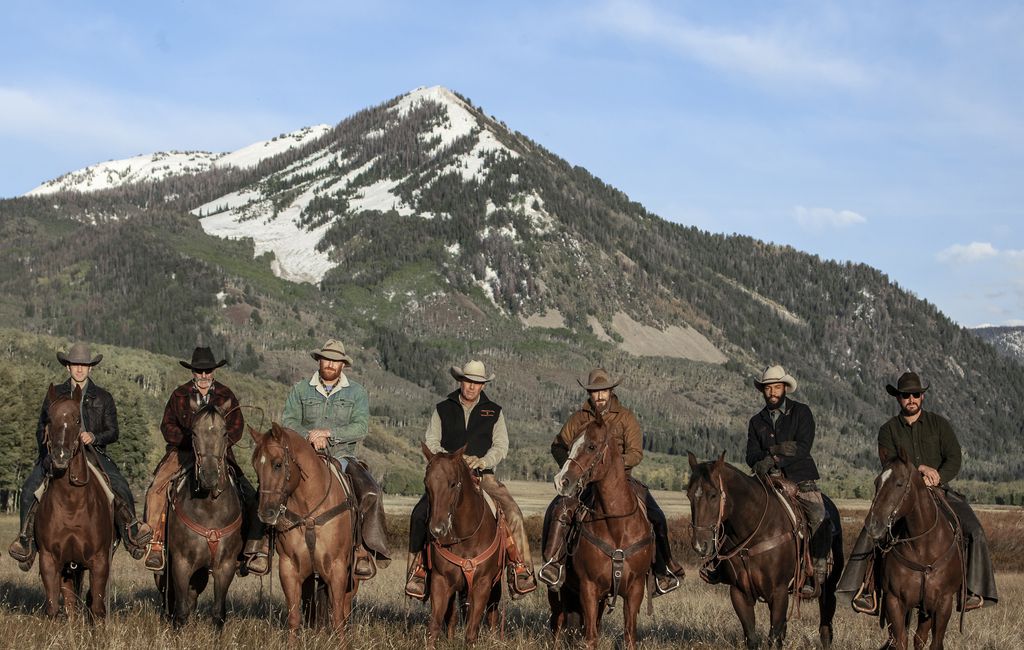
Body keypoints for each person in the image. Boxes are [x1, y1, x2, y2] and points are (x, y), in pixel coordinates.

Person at [839, 371, 998, 612]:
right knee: (873, 526)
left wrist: (939, 476)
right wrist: (919, 469)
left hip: (938, 491)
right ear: (898, 398)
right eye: (905, 395)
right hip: (902, 492)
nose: (911, 399)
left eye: (915, 394)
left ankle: (971, 590)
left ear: (922, 397)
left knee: (974, 529)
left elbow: (954, 457)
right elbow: (890, 463)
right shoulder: (888, 430)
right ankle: (866, 589)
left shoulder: (939, 425)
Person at [8, 343, 152, 569]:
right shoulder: (55, 395)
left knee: (118, 484)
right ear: (68, 367)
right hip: (58, 452)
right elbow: (40, 429)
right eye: (75, 365)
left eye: (84, 365)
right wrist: (48, 454)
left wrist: (94, 437)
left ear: (90, 368)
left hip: (92, 452)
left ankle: (131, 532)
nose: (79, 369)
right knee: (29, 490)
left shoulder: (103, 397)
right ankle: (26, 541)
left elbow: (113, 431)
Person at [540, 368, 683, 595]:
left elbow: (636, 453)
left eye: (603, 391)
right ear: (589, 393)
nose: (599, 396)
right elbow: (558, 446)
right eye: (595, 392)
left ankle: (664, 570)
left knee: (657, 515)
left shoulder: (625, 417)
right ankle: (553, 564)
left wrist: (612, 466)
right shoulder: (579, 418)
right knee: (561, 509)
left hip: (622, 480)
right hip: (585, 481)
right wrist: (572, 469)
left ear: (611, 391)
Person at [404, 360, 538, 600]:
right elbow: (431, 440)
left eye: (477, 383)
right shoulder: (443, 408)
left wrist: (484, 461)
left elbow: (501, 445)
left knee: (513, 512)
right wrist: (452, 459)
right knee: (419, 514)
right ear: (460, 381)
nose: (472, 387)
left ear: (483, 385)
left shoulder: (494, 411)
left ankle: (520, 568)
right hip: (448, 477)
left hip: (482, 476)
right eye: (468, 381)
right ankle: (418, 572)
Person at [142, 347, 267, 574]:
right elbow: (167, 425)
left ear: (213, 372)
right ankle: (156, 544)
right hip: (182, 452)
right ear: (192, 372)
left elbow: (237, 426)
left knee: (250, 495)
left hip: (219, 454)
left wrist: (217, 443)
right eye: (199, 371)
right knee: (156, 489)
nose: (203, 376)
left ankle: (251, 550)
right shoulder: (179, 395)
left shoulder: (226, 396)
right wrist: (192, 440)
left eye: (207, 371)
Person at [281, 339, 390, 578]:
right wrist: (309, 435)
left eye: (335, 360)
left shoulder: (357, 392)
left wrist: (329, 434)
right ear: (319, 360)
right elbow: (288, 422)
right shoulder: (301, 389)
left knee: (371, 492)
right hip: (303, 457)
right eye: (326, 359)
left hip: (342, 456)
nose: (330, 364)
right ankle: (259, 547)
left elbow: (360, 427)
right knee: (270, 486)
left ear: (343, 365)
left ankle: (363, 549)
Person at [745, 364, 829, 598]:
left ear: (784, 388)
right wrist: (779, 450)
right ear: (763, 390)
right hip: (766, 481)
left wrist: (771, 456)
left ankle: (815, 571)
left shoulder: (801, 412)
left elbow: (802, 448)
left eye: (776, 387)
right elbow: (750, 455)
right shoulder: (756, 421)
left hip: (801, 477)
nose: (772, 392)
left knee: (818, 516)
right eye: (768, 388)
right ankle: (730, 566)